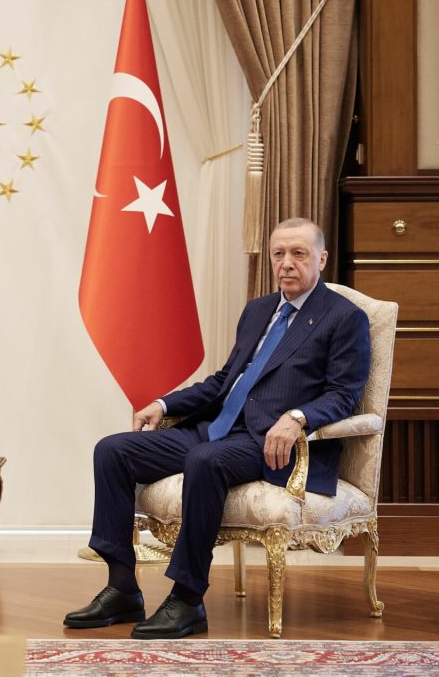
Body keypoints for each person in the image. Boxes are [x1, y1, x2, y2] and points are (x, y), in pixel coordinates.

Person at [65, 217, 371, 639]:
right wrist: (164, 403)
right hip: (216, 428)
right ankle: (121, 588)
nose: (286, 263)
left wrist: (297, 418)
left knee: (204, 459)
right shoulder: (258, 310)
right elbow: (225, 381)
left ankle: (187, 600)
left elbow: (343, 394)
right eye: (278, 254)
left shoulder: (344, 318)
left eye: (299, 253)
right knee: (112, 451)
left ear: (321, 258)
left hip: (269, 442)